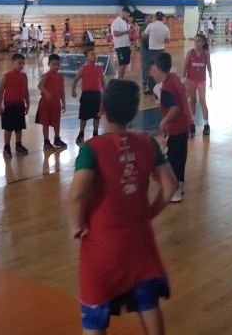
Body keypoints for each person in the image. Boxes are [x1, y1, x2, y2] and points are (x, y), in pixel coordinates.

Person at [67, 79, 177, 335]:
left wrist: (77, 223)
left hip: (102, 245)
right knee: (148, 302)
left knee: (95, 316)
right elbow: (169, 187)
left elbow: (76, 195)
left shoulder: (92, 148)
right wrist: (147, 214)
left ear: (101, 109)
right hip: (140, 240)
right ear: (134, 112)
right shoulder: (148, 142)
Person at [151, 52, 192, 203]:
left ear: (158, 68)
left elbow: (174, 109)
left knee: (172, 159)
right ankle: (180, 185)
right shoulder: (174, 77)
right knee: (181, 156)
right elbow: (186, 89)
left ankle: (174, 192)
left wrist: (163, 122)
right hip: (184, 124)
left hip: (174, 128)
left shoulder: (166, 88)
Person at [71, 48, 107, 145]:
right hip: (86, 95)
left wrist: (105, 94)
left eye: (95, 54)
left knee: (97, 116)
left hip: (97, 95)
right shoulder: (83, 69)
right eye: (92, 54)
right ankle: (81, 133)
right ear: (86, 57)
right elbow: (75, 80)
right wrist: (73, 90)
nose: (95, 56)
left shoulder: (99, 70)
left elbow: (103, 83)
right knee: (83, 117)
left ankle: (95, 133)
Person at [0, 53, 30, 158]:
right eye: (19, 63)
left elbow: (26, 91)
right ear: (12, 63)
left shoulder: (24, 76)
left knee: (19, 128)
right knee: (8, 128)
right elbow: (0, 92)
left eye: (23, 64)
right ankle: (6, 147)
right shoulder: (6, 77)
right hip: (9, 107)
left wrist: (28, 103)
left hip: (20, 106)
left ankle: (18, 145)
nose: (21, 65)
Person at [183, 34, 212, 137]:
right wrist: (183, 78)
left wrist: (211, 80)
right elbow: (186, 66)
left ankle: (206, 125)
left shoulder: (206, 53)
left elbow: (209, 67)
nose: (196, 43)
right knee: (193, 101)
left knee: (203, 101)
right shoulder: (190, 53)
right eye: (195, 41)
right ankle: (192, 124)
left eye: (199, 41)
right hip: (191, 81)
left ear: (203, 42)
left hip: (202, 81)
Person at [36, 53, 67, 151]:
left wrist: (64, 103)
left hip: (56, 104)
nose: (56, 66)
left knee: (57, 122)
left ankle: (57, 139)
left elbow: (62, 91)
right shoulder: (46, 75)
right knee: (45, 123)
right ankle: (46, 141)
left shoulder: (60, 77)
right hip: (45, 104)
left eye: (58, 64)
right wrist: (46, 92)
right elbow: (40, 85)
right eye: (54, 64)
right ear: (49, 64)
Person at [143, 11, 170, 94]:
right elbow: (167, 41)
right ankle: (162, 87)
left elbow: (144, 36)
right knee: (161, 69)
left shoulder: (151, 26)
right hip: (161, 50)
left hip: (152, 50)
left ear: (155, 17)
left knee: (151, 69)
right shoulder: (166, 28)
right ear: (162, 18)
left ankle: (151, 89)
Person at [111, 7, 133, 79]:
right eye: (127, 15)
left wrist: (130, 33)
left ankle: (121, 79)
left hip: (126, 45)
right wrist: (127, 32)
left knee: (125, 64)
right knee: (122, 64)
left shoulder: (123, 22)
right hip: (120, 46)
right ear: (123, 13)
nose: (127, 17)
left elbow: (125, 33)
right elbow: (115, 33)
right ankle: (119, 80)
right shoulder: (116, 22)